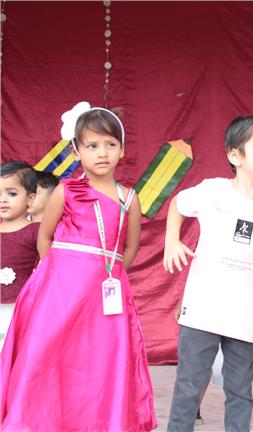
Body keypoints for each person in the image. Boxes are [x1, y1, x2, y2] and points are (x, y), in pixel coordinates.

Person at [0, 102, 156, 430]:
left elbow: (129, 248)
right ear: (76, 151)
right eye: (92, 145)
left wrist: (109, 274)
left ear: (122, 149)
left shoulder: (129, 198)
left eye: (110, 144)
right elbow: (45, 238)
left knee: (98, 361)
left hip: (104, 296)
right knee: (46, 353)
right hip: (59, 292)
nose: (102, 153)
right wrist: (55, 279)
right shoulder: (65, 191)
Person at [164, 115, 253, 432]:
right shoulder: (213, 191)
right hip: (202, 311)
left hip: (246, 315)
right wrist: (171, 242)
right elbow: (178, 204)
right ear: (235, 155)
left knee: (240, 391)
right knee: (189, 387)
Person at [0, 161, 38, 349]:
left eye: (12, 194)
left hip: (21, 306)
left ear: (30, 199)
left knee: (14, 350)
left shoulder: (36, 231)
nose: (3, 200)